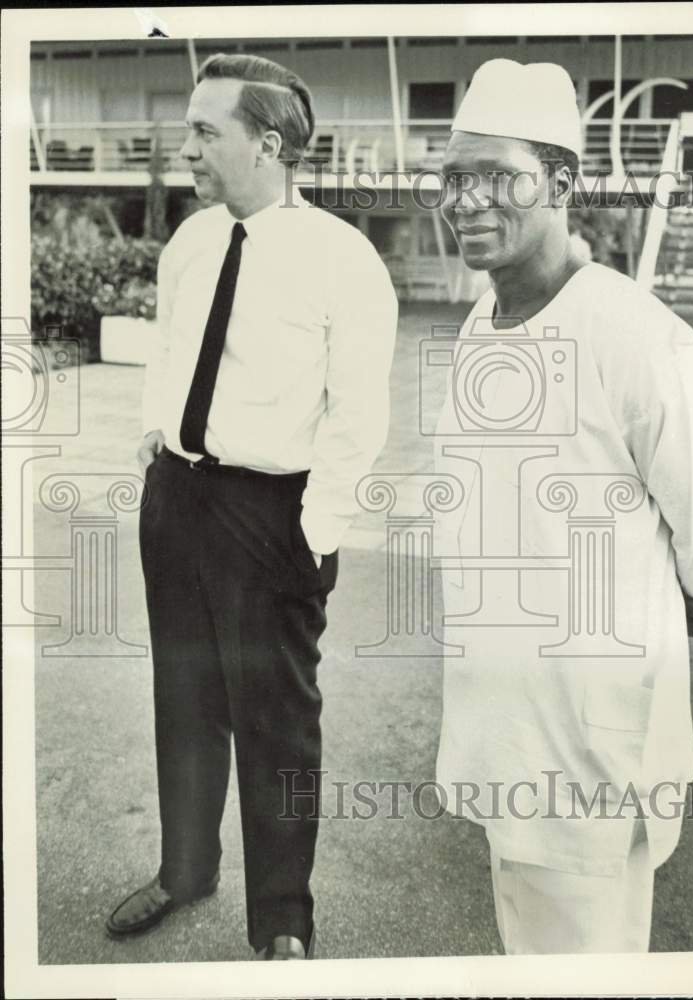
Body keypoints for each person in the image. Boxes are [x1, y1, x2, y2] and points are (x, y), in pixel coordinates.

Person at [106, 53, 398, 960]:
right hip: (179, 501)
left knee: (277, 725)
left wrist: (313, 532)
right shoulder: (192, 242)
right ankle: (184, 872)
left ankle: (281, 921)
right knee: (184, 699)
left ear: (267, 143)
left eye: (203, 130)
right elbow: (168, 353)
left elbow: (358, 415)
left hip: (272, 516)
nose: (183, 147)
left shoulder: (342, 259)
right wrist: (161, 435)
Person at [432, 59, 693, 954]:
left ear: (561, 182)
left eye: (498, 174)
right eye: (453, 178)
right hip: (500, 728)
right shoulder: (478, 329)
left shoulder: (638, 337)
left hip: (591, 743)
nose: (467, 200)